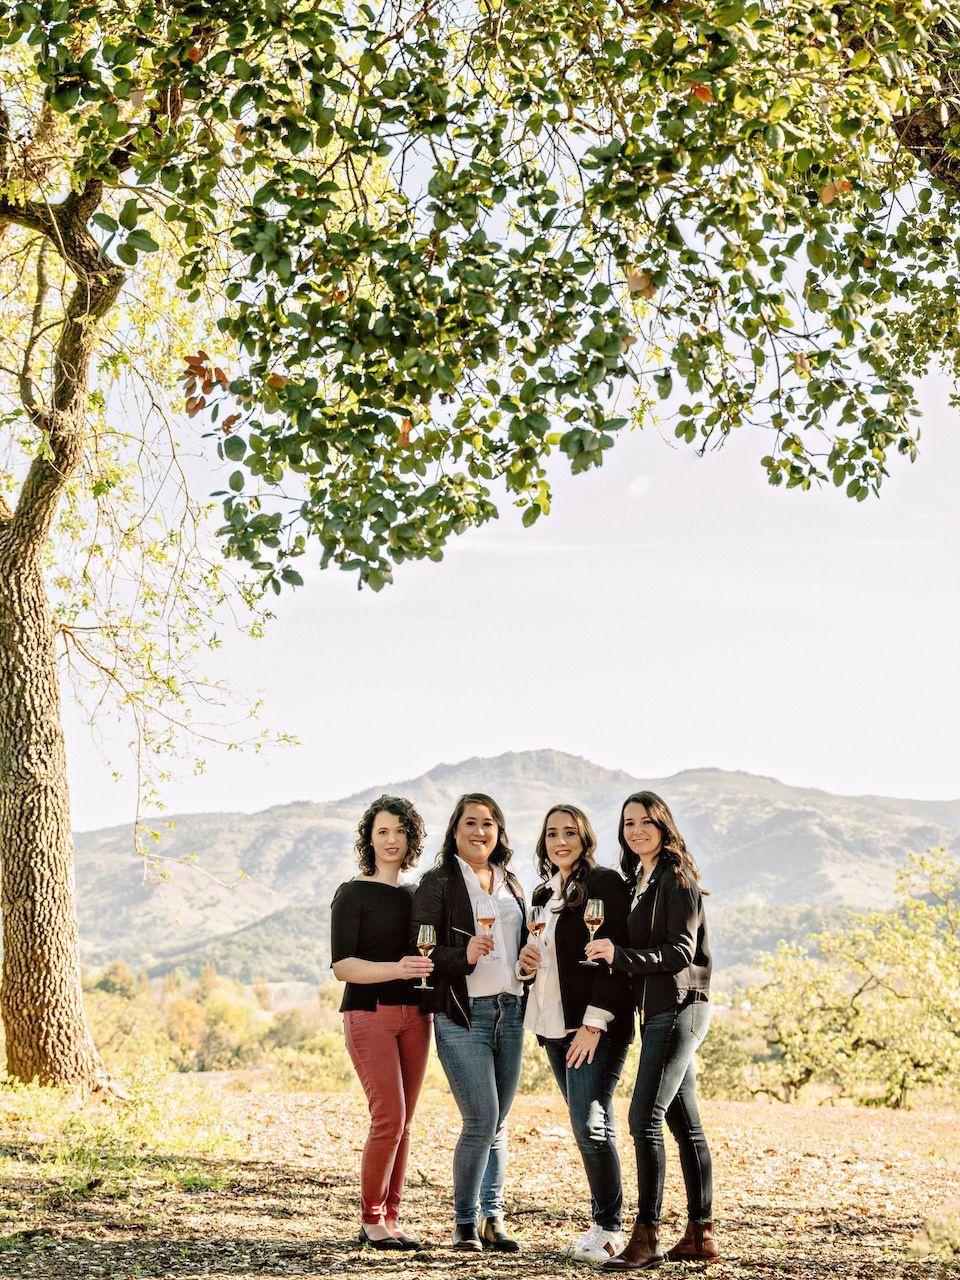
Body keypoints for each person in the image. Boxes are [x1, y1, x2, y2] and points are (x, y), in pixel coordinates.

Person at [585, 791, 717, 1270]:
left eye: (645, 821)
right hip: (661, 1009)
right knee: (685, 1124)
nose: (636, 830)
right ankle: (700, 1236)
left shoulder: (676, 877)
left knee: (643, 1118)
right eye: (628, 823)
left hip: (679, 1006)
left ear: (663, 824)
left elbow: (680, 952)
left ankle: (647, 1236)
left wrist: (618, 956)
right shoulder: (643, 880)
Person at [410, 792, 527, 1252]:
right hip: (463, 1014)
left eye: (488, 824)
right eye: (470, 823)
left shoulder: (512, 882)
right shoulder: (438, 883)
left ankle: (493, 1218)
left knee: (498, 1123)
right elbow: (421, 948)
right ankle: (464, 1221)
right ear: (455, 831)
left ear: (499, 832)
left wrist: (527, 963)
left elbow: (522, 943)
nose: (480, 832)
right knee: (481, 1118)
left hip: (511, 1010)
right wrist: (463, 955)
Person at [519, 804, 634, 1264]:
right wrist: (525, 966)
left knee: (591, 1124)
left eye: (569, 832)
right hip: (552, 1026)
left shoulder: (603, 884)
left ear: (585, 837)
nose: (560, 841)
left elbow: (610, 959)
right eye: (551, 834)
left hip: (594, 1026)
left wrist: (593, 1024)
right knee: (587, 1123)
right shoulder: (542, 892)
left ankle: (609, 1229)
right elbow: (542, 963)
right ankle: (603, 1223)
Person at [330, 795, 434, 1252]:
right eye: (382, 832)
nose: (392, 840)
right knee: (388, 1117)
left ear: (411, 838)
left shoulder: (418, 895)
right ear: (369, 840)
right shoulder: (352, 893)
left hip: (417, 1016)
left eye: (400, 831)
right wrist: (399, 968)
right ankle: (370, 1219)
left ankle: (392, 1217)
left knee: (406, 1121)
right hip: (368, 1013)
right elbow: (343, 967)